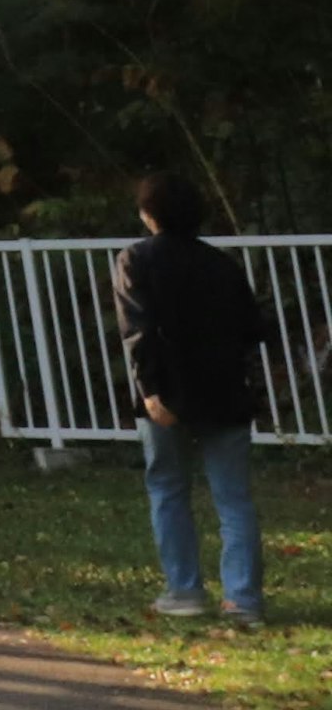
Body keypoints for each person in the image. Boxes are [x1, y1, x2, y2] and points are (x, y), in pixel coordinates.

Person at [116, 172, 276, 625]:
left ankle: (184, 589)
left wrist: (149, 389)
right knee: (233, 497)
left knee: (168, 488)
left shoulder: (135, 259)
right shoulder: (222, 264)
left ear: (148, 214)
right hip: (226, 391)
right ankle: (243, 600)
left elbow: (137, 331)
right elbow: (253, 328)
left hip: (166, 392)